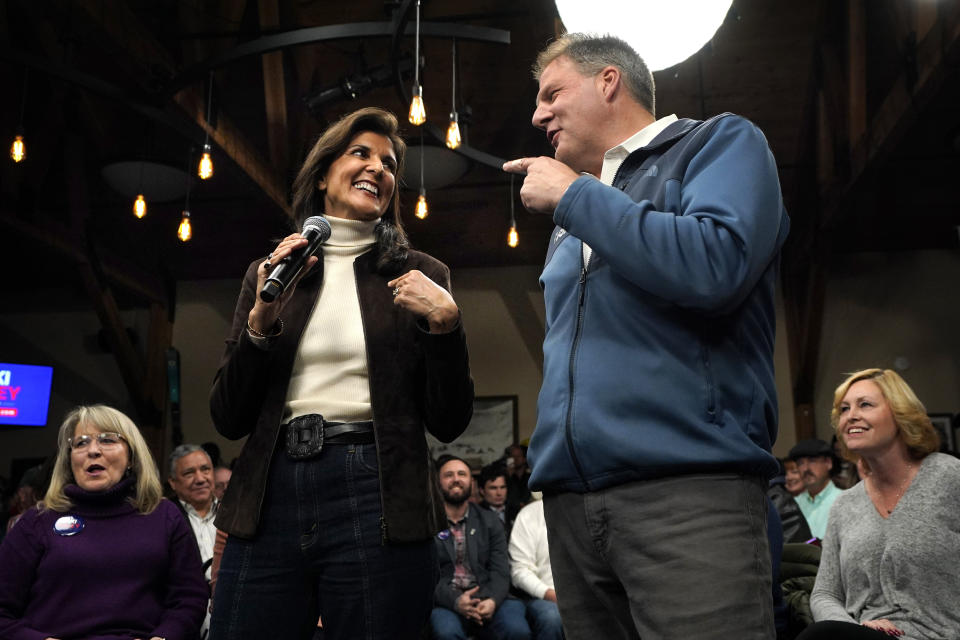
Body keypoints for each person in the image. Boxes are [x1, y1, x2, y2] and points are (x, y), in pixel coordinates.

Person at [502, 33, 789, 639]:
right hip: (571, 507)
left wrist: (574, 196)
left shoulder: (718, 143)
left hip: (687, 493)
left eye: (552, 93)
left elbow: (717, 265)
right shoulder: (573, 215)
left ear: (609, 81)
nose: (537, 114)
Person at [208, 107, 474, 640]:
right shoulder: (271, 274)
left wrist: (445, 325)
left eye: (389, 163)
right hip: (270, 489)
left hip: (377, 487)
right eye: (361, 153)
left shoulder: (422, 275)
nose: (379, 167)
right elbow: (228, 417)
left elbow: (448, 421)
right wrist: (261, 323)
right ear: (324, 172)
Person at [0, 404, 208, 640]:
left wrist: (162, 637)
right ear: (69, 460)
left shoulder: (163, 515)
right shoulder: (37, 522)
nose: (93, 450)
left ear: (131, 457)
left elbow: (190, 598)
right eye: (81, 443)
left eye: (108, 440)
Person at [800, 368, 960, 639]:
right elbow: (825, 594)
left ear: (900, 414)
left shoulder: (949, 477)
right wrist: (851, 628)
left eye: (865, 405)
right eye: (844, 409)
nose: (851, 416)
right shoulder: (844, 505)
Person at [431, 455, 529, 640]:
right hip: (445, 602)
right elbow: (425, 577)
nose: (456, 479)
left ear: (472, 483)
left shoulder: (490, 521)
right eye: (448, 475)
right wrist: (456, 601)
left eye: (462, 474)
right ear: (437, 482)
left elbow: (501, 571)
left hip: (490, 596)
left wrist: (491, 600)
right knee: (446, 633)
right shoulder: (427, 523)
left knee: (517, 631)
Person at [508, 495, 564, 640]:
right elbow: (519, 570)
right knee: (552, 618)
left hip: (586, 594)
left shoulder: (587, 511)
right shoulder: (528, 515)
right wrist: (551, 594)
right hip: (545, 596)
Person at [789, 439, 843, 539]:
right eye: (800, 463)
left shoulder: (844, 500)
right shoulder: (793, 505)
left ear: (828, 463)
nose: (805, 469)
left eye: (812, 461)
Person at [478, 462, 518, 537]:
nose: (499, 493)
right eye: (493, 488)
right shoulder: (476, 514)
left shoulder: (516, 511)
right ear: (482, 490)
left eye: (502, 487)